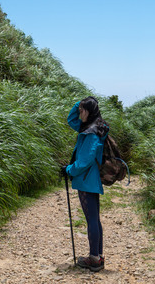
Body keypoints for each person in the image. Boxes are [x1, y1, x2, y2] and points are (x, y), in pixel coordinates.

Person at [61, 96, 108, 272]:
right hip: (90, 180)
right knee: (94, 219)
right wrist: (80, 103)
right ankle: (98, 256)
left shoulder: (91, 133)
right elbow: (70, 120)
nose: (79, 113)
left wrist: (69, 169)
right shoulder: (90, 127)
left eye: (82, 110)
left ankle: (94, 259)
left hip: (87, 180)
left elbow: (85, 161)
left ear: (89, 111)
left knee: (92, 220)